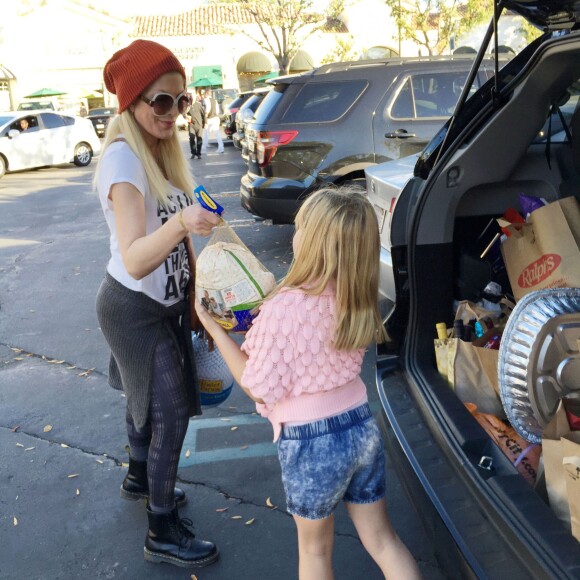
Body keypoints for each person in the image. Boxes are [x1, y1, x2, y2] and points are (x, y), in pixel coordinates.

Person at [195, 187, 422, 580]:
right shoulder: (355, 301)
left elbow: (258, 385)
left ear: (313, 241)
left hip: (310, 442)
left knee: (315, 552)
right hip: (360, 427)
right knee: (383, 540)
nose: (294, 233)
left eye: (300, 227)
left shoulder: (283, 308)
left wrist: (216, 331)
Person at [94, 39, 221, 569]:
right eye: (161, 101)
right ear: (132, 104)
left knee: (143, 395)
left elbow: (174, 241)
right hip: (132, 305)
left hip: (160, 304)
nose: (173, 112)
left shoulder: (159, 153)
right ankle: (161, 527)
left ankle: (139, 474)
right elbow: (136, 256)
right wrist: (180, 223)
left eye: (181, 101)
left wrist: (193, 292)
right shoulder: (124, 160)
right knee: (168, 409)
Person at [201, 89, 224, 154]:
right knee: (217, 133)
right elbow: (217, 111)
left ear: (206, 94)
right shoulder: (215, 100)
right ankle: (221, 147)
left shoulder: (206, 100)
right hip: (216, 118)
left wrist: (205, 116)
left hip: (209, 119)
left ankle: (203, 148)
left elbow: (207, 109)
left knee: (206, 134)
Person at [187, 92, 205, 159]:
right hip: (191, 124)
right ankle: (193, 152)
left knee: (199, 139)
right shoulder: (188, 105)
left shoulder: (198, 105)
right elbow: (184, 113)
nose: (190, 99)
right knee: (191, 138)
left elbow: (203, 114)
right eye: (190, 98)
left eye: (192, 97)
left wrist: (205, 123)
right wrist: (185, 115)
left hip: (199, 124)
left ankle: (199, 153)